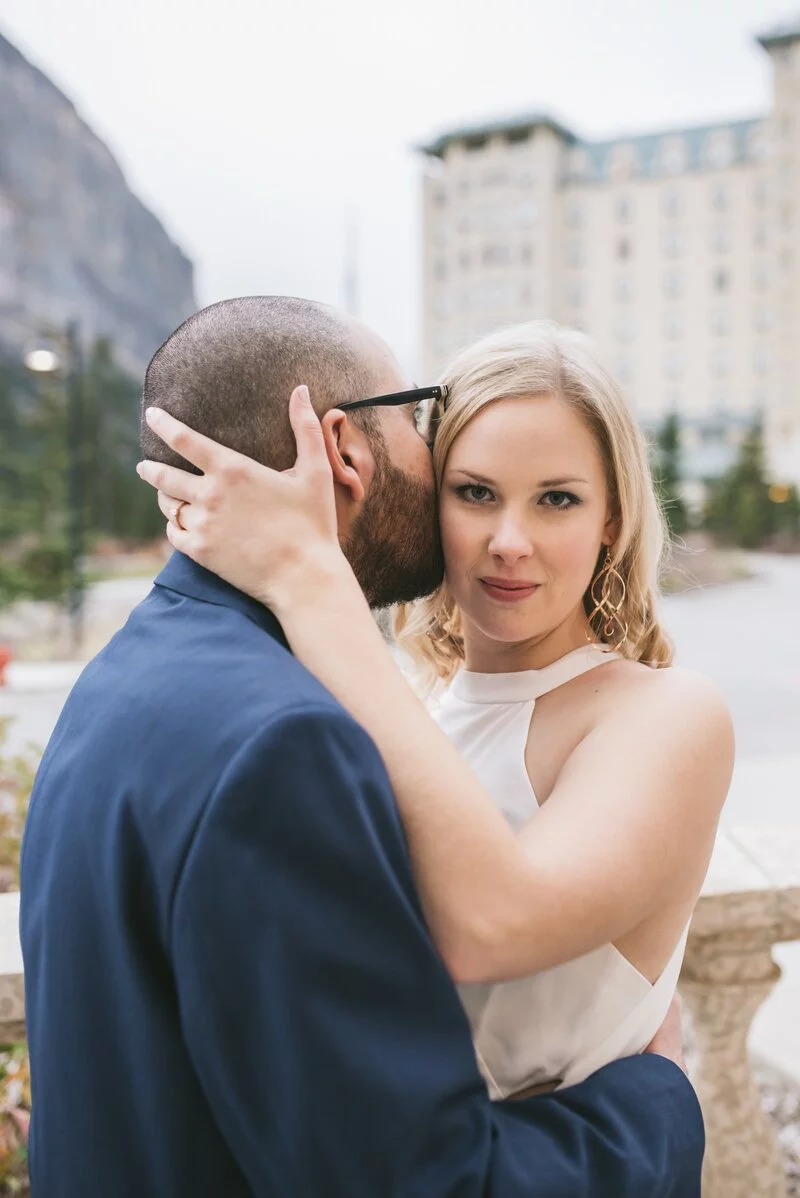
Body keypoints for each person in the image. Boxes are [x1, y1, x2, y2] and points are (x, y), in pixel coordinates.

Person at [22, 297, 704, 1198]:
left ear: (613, 516)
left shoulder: (133, 673)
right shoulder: (332, 720)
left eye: (559, 499)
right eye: (470, 489)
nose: (508, 540)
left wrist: (312, 582)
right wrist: (659, 1105)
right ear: (343, 450)